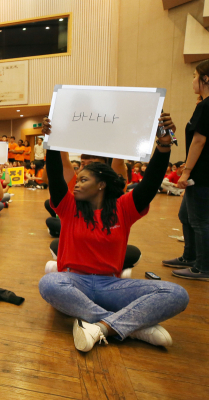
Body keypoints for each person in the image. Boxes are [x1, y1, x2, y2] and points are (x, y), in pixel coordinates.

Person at [38, 115, 189, 352]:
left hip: (111, 285)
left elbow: (150, 183)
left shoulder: (124, 208)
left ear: (101, 185)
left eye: (83, 180)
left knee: (177, 293)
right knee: (49, 282)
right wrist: (51, 141)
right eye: (77, 180)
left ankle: (102, 327)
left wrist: (164, 145)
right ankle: (132, 326)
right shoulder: (69, 206)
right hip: (74, 281)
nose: (76, 185)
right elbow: (56, 175)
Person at [164, 61, 209, 281]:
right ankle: (190, 256)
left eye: (194, 75)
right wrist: (171, 133)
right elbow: (187, 142)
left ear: (205, 79)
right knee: (186, 215)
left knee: (200, 220)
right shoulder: (202, 105)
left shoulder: (206, 106)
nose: (192, 80)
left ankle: (203, 267)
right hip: (198, 171)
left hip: (202, 175)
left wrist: (186, 171)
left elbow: (199, 141)